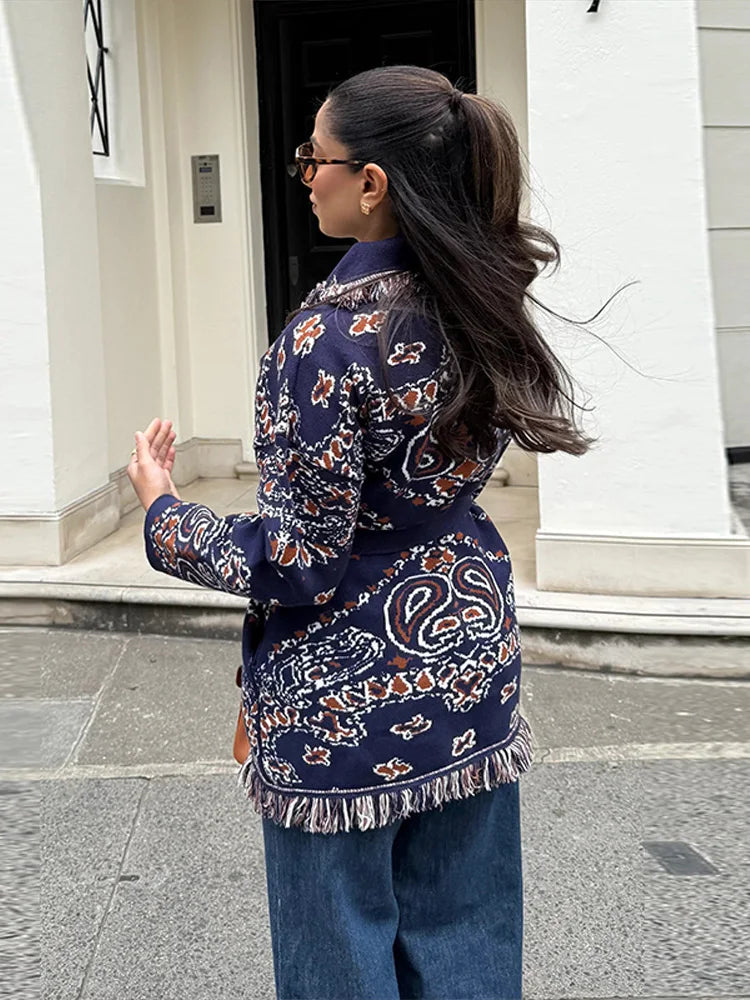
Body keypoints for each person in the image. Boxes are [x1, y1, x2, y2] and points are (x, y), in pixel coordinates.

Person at [127, 66, 592, 1000]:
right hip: (466, 654)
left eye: (315, 158)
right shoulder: (481, 298)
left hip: (344, 693)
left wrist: (163, 513)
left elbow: (301, 562)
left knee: (337, 949)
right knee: (467, 928)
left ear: (370, 183)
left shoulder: (324, 342)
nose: (305, 175)